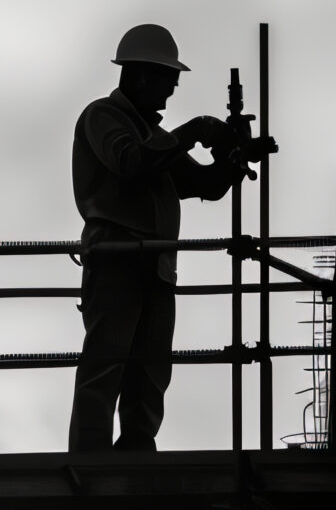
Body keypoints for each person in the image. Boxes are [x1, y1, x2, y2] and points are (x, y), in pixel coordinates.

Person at [66, 24, 268, 452]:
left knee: (150, 369)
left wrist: (233, 161)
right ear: (142, 76)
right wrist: (193, 131)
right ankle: (91, 459)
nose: (169, 95)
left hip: (157, 263)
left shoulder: (158, 138)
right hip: (117, 258)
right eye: (167, 84)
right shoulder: (102, 116)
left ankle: (137, 451)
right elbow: (128, 161)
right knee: (106, 363)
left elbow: (203, 184)